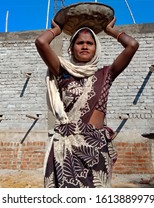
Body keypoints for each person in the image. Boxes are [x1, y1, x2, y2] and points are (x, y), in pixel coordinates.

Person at [35, 16, 139, 188]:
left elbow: (132, 45)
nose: (84, 46)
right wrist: (57, 30)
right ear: (71, 48)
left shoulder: (106, 74)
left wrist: (111, 31)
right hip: (67, 147)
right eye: (80, 43)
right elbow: (41, 42)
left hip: (96, 148)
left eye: (90, 43)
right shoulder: (63, 72)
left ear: (96, 47)